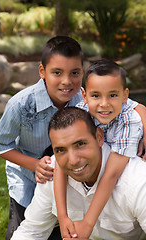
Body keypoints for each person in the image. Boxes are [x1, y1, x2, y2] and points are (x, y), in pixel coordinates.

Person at [0, 36, 84, 240]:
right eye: (57, 73)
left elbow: (122, 102)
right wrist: (33, 164)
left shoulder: (84, 99)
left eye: (75, 73)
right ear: (42, 71)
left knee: (60, 231)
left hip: (66, 184)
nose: (67, 81)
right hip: (26, 181)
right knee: (26, 231)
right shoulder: (21, 104)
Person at [11, 107, 146, 240]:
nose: (73, 161)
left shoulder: (137, 181)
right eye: (60, 150)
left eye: (80, 144)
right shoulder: (51, 172)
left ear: (99, 138)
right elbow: (31, 232)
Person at [54, 59, 146, 239]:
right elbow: (59, 166)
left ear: (125, 95)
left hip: (127, 178)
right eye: (96, 96)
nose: (104, 104)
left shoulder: (129, 121)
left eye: (112, 95)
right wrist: (63, 216)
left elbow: (112, 174)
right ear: (85, 96)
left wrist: (88, 223)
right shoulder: (80, 112)